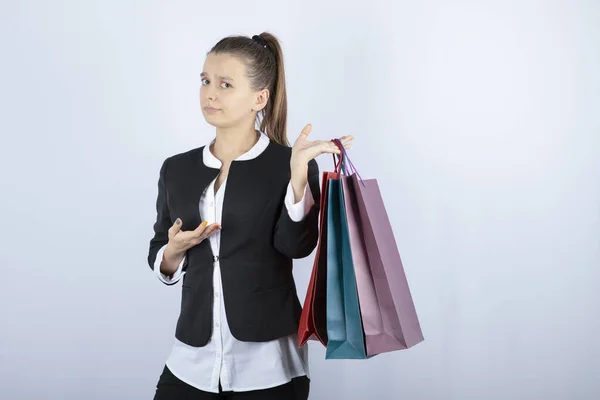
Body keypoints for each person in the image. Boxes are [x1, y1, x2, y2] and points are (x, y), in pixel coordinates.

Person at [147, 32, 353, 400]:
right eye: (205, 81)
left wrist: (298, 179)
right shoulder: (176, 169)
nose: (211, 93)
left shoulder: (288, 165)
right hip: (192, 360)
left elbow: (296, 246)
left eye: (226, 84)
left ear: (260, 98)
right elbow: (159, 249)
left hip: (268, 365)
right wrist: (173, 254)